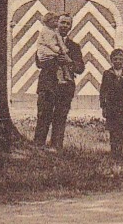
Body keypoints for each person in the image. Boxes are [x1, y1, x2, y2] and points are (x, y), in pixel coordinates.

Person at [32, 15, 85, 149]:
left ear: (71, 27)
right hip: (48, 85)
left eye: (68, 24)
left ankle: (56, 147)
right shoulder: (45, 39)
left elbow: (80, 68)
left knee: (60, 117)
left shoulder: (74, 46)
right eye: (62, 22)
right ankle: (39, 146)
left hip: (65, 87)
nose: (64, 26)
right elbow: (39, 62)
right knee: (43, 116)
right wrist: (55, 60)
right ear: (56, 24)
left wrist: (69, 62)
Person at [99, 48, 123, 157]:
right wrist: (103, 106)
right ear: (111, 60)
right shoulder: (107, 74)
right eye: (115, 59)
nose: (118, 61)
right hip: (111, 107)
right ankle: (113, 150)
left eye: (120, 59)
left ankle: (119, 151)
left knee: (121, 129)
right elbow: (103, 91)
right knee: (112, 129)